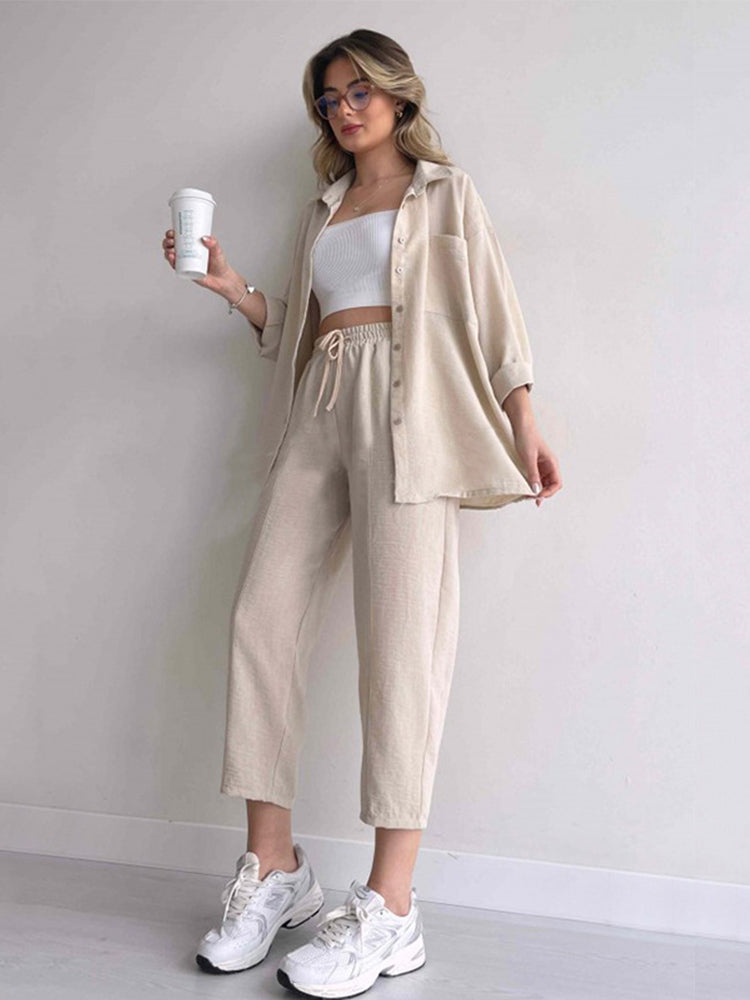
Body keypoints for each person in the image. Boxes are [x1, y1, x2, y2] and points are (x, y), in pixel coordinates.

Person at [162, 27, 561, 1000]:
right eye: (329, 97)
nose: (343, 108)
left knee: (399, 650)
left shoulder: (445, 194)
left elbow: (494, 315)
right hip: (320, 403)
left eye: (358, 91)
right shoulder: (323, 207)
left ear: (396, 94)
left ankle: (392, 903)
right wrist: (231, 287)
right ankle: (275, 868)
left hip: (411, 412)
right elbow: (303, 327)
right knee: (261, 620)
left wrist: (525, 420)